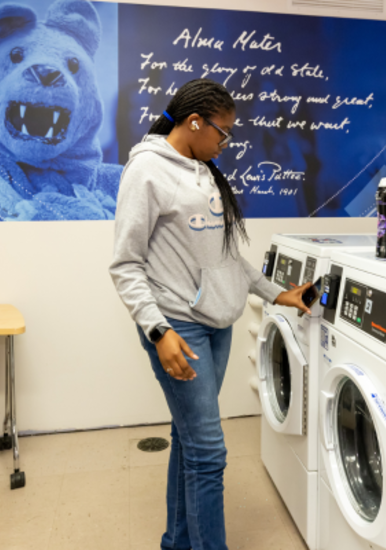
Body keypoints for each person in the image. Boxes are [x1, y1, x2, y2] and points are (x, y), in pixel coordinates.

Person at [109, 78, 311, 550]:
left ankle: (177, 542)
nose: (227, 143)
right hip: (177, 327)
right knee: (209, 454)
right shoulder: (146, 173)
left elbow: (225, 258)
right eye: (224, 133)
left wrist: (277, 293)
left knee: (190, 442)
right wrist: (157, 331)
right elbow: (125, 264)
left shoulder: (202, 171)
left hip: (218, 326)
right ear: (194, 122)